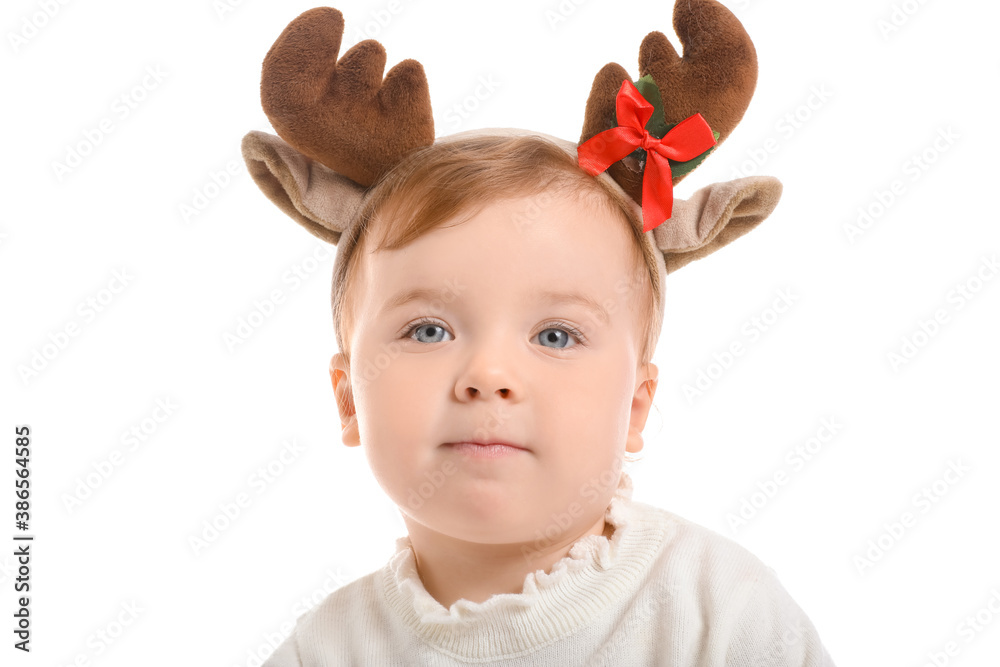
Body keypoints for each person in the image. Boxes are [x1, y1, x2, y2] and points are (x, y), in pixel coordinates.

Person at [242, 2, 836, 664]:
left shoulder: (721, 614)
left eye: (556, 336)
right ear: (350, 396)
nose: (489, 374)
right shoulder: (327, 651)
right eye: (429, 328)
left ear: (634, 407)